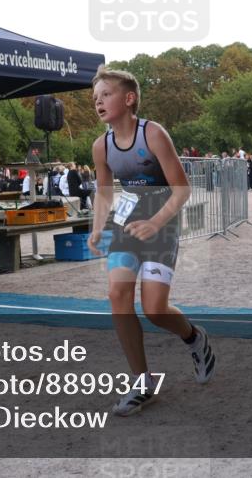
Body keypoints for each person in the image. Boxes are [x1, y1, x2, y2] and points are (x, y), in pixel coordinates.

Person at [87, 66, 213, 417]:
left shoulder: (154, 134)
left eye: (106, 95)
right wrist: (97, 227)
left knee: (155, 309)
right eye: (95, 98)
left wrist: (156, 222)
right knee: (117, 295)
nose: (98, 102)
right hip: (126, 223)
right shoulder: (101, 146)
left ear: (129, 99)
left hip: (163, 221)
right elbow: (105, 191)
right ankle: (142, 381)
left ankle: (194, 337)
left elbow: (182, 189)